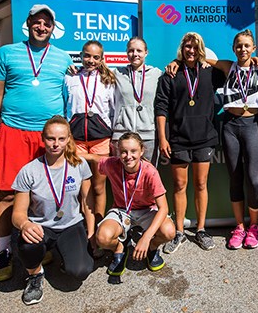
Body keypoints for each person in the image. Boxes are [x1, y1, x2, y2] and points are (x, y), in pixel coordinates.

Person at [0, 4, 73, 282]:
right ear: (28, 23)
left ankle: (36, 244)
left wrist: (69, 138)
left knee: (43, 194)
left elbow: (70, 99)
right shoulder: (6, 53)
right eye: (37, 22)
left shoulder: (63, 58)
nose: (42, 27)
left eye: (47, 23)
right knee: (8, 194)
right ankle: (4, 251)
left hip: (49, 137)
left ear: (53, 28)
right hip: (14, 131)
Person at [11, 116, 95, 305]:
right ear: (43, 138)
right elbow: (17, 214)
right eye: (50, 138)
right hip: (41, 227)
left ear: (68, 139)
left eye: (61, 139)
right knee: (28, 244)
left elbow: (87, 202)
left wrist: (91, 232)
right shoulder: (29, 171)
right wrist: (24, 224)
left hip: (71, 226)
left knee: (80, 270)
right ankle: (35, 274)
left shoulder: (79, 165)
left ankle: (65, 256)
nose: (55, 144)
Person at [155, 32, 225, 253]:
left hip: (204, 138)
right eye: (187, 47)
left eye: (195, 47)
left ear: (201, 49)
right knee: (179, 186)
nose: (191, 51)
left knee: (201, 184)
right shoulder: (170, 75)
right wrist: (163, 138)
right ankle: (179, 232)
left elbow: (231, 68)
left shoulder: (211, 73)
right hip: (178, 139)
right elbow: (161, 108)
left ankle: (201, 229)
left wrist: (207, 60)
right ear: (181, 49)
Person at [200, 30, 258, 250]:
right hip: (230, 126)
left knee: (254, 180)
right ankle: (239, 227)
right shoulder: (228, 66)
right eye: (239, 45)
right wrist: (176, 61)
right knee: (235, 177)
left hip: (252, 125)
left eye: (247, 45)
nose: (243, 49)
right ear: (233, 48)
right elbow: (201, 59)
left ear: (254, 48)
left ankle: (255, 226)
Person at [94, 132, 175, 278]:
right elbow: (95, 159)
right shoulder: (112, 164)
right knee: (102, 238)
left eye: (133, 151)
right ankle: (119, 248)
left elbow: (163, 208)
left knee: (169, 231)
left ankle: (152, 247)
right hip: (122, 211)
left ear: (142, 151)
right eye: (123, 152)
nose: (128, 156)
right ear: (118, 152)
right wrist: (73, 155)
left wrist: (146, 238)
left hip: (147, 210)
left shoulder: (150, 172)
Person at [65, 40, 115, 224]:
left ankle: (99, 223)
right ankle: (83, 224)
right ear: (81, 55)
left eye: (95, 57)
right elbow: (65, 107)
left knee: (99, 186)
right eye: (87, 55)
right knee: (80, 187)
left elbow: (114, 110)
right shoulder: (70, 78)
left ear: (102, 59)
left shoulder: (108, 81)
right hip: (76, 140)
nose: (90, 60)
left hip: (101, 139)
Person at [112, 37, 163, 166]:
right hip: (122, 134)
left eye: (139, 50)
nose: (135, 54)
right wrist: (73, 69)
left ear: (146, 52)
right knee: (122, 177)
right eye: (131, 50)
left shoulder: (157, 74)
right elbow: (94, 70)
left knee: (149, 176)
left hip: (148, 135)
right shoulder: (116, 73)